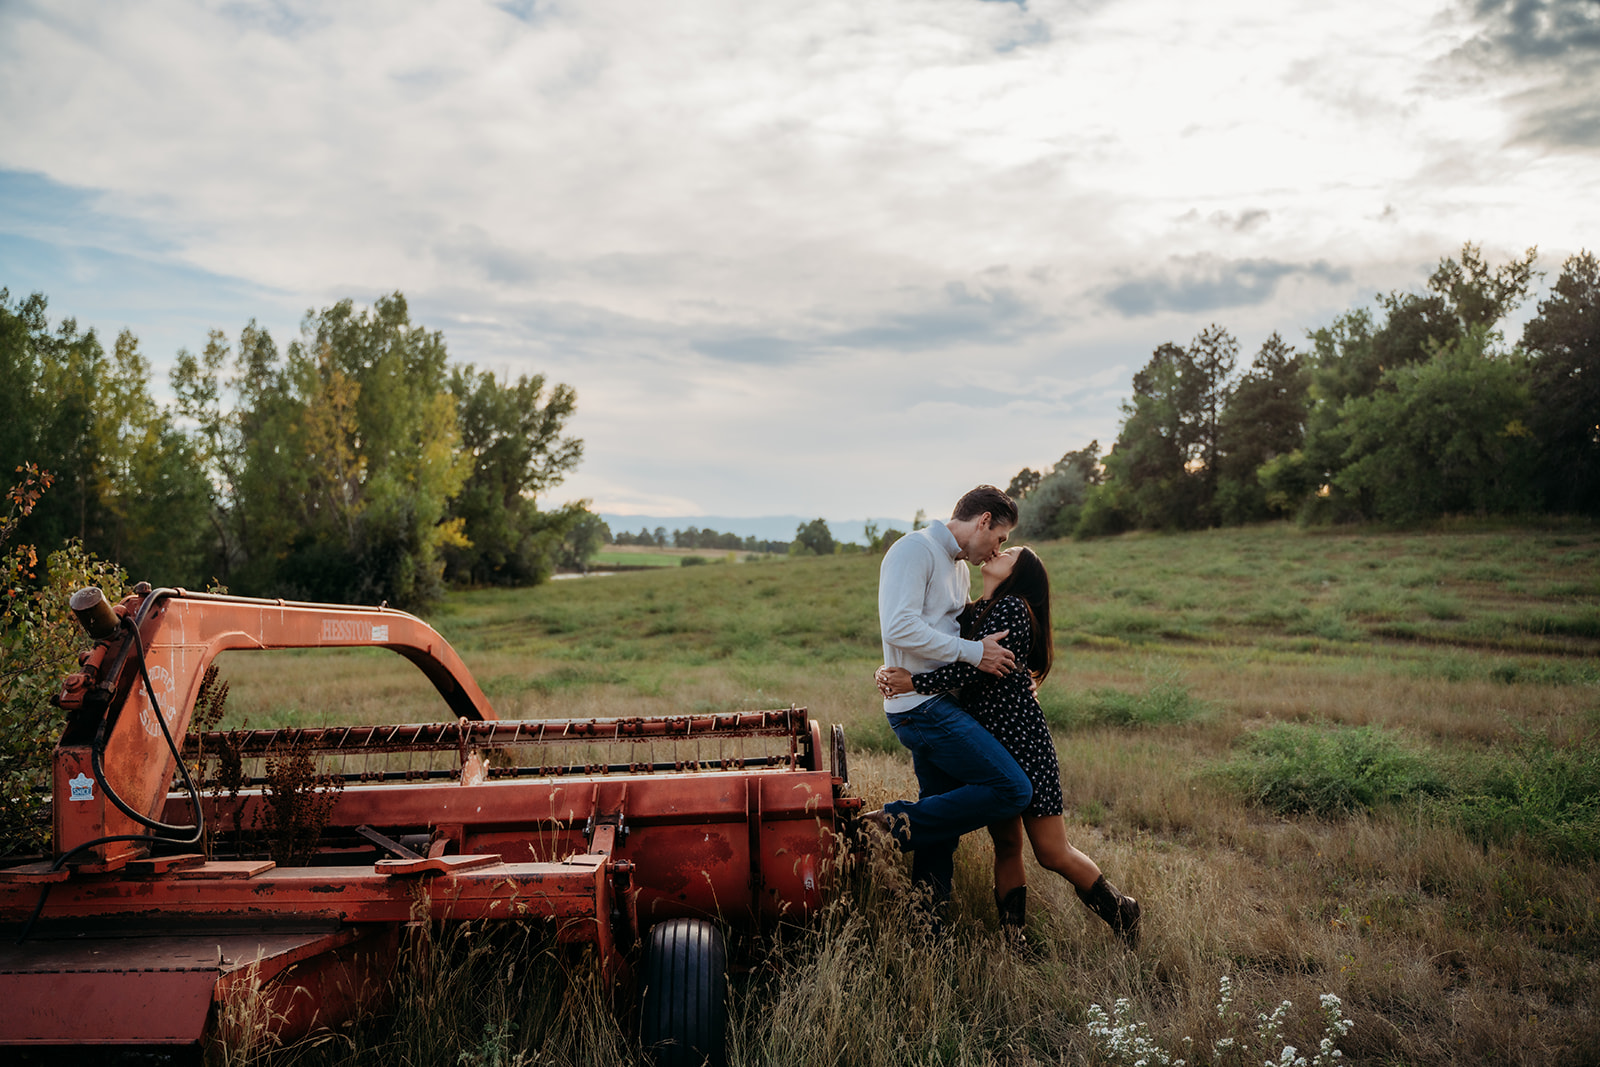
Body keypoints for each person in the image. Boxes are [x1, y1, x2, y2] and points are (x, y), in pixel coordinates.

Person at [875, 545, 1142, 948]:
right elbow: (935, 647)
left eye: (1011, 550)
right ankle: (1014, 941)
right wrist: (889, 667)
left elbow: (980, 671)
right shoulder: (975, 610)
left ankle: (1122, 909)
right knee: (1007, 845)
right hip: (989, 741)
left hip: (1023, 742)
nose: (999, 550)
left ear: (1020, 572)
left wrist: (915, 684)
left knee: (1052, 852)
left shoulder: (1013, 607)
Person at [864, 485, 1033, 913]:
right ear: (983, 521)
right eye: (1001, 537)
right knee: (1012, 789)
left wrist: (1019, 676)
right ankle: (888, 826)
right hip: (922, 710)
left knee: (940, 827)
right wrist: (974, 653)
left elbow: (948, 633)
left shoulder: (958, 568)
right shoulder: (913, 550)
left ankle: (928, 927)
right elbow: (898, 628)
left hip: (937, 701)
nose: (999, 548)